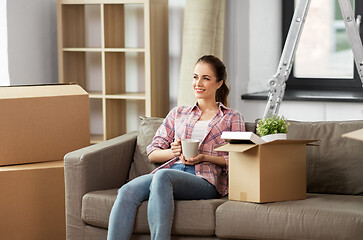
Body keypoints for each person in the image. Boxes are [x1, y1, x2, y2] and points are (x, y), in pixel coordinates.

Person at [107, 55, 245, 240]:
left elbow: (239, 158)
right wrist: (172, 152)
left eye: (206, 78)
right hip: (173, 170)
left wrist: (204, 157)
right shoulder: (178, 113)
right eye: (195, 77)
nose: (198, 83)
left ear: (219, 83)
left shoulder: (231, 117)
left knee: (164, 176)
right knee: (127, 191)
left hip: (205, 179)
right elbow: (153, 152)